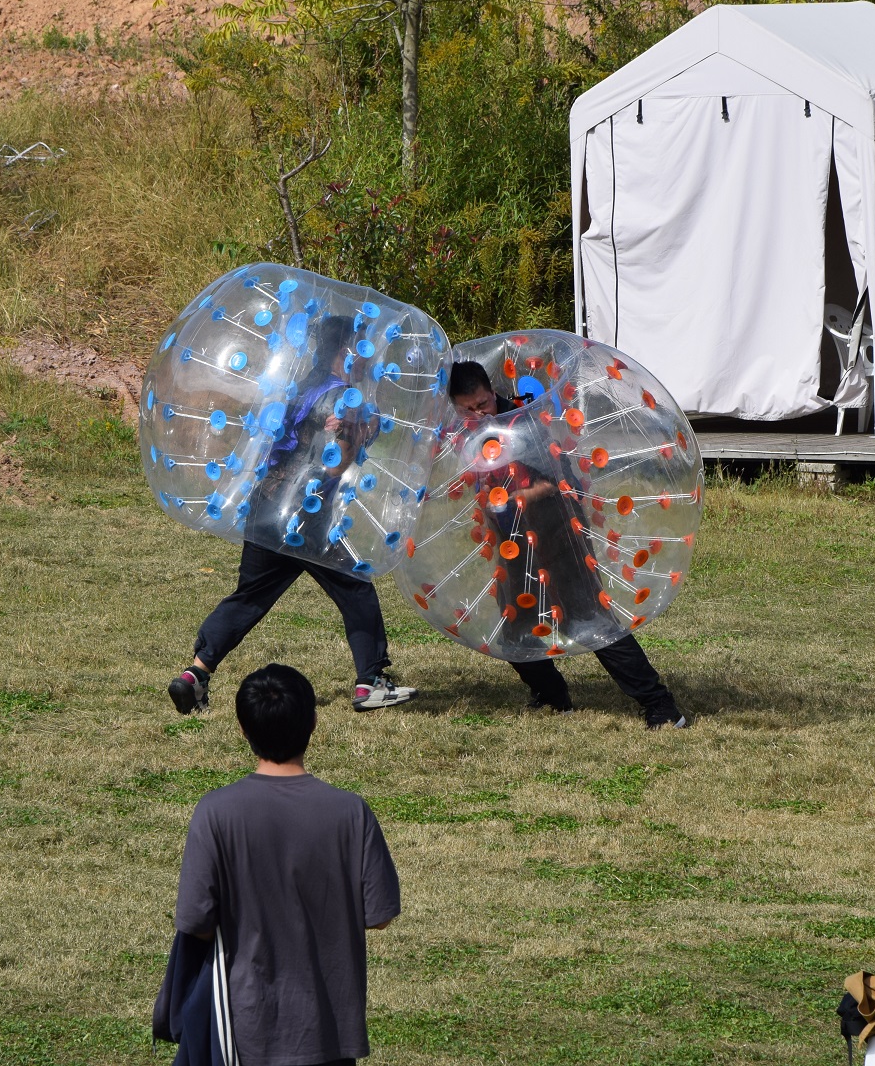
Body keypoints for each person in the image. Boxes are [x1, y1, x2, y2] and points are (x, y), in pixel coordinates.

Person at [173, 316, 417, 715]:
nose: (365, 357)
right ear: (346, 350)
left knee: (250, 596)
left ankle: (195, 674)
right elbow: (336, 467)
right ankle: (370, 682)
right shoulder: (345, 399)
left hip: (264, 505)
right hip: (306, 516)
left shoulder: (301, 387)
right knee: (355, 587)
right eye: (360, 347)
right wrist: (357, 435)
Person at [173, 664, 401, 1066]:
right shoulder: (351, 812)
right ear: (313, 723)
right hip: (330, 1031)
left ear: (243, 729)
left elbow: (195, 920)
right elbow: (379, 916)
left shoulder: (215, 812)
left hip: (243, 1031)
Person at [448, 359, 689, 730]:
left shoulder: (524, 425)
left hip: (558, 527)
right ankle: (551, 695)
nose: (480, 414)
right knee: (516, 623)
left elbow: (554, 483)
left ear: (492, 391)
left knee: (588, 617)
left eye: (483, 404)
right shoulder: (468, 434)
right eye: (469, 410)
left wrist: (514, 499)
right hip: (514, 537)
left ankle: (660, 705)